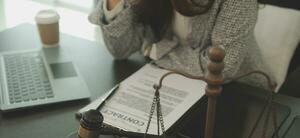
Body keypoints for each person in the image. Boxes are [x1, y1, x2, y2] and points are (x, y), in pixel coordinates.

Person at [88, 0, 275, 88]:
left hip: (241, 93)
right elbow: (120, 50)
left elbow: (222, 68)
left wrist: (155, 50)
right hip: (172, 83)